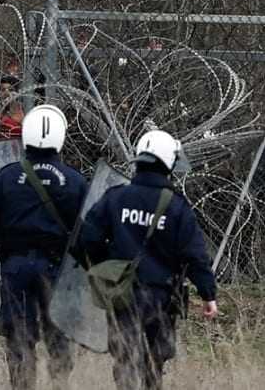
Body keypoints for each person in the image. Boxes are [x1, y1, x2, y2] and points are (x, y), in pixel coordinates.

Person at [77, 130, 218, 390]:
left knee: (125, 361)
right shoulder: (177, 207)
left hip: (122, 292)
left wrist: (105, 268)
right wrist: (208, 294)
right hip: (162, 296)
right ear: (168, 162)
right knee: (155, 363)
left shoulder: (116, 197)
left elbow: (87, 238)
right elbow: (195, 254)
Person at [0, 104, 86, 390]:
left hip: (16, 267)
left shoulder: (7, 177)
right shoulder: (74, 181)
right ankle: (60, 384)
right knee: (58, 337)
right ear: (60, 137)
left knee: (19, 339)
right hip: (57, 271)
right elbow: (86, 231)